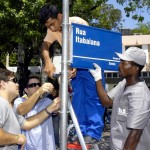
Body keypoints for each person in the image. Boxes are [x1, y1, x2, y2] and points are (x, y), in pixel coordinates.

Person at [39, 4, 105, 144]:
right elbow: (45, 45)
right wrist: (48, 62)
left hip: (90, 65)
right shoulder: (52, 29)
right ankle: (80, 130)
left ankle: (93, 132)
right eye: (48, 26)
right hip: (73, 67)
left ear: (60, 16)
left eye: (52, 24)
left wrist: (74, 63)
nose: (51, 28)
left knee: (92, 97)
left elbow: (86, 46)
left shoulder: (77, 22)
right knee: (78, 99)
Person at [89, 47, 150, 150]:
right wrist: (98, 78)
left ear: (136, 68)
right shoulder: (124, 83)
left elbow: (135, 134)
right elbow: (106, 102)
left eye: (124, 63)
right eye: (120, 62)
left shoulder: (140, 95)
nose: (119, 66)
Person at [0, 68, 60, 150]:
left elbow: (26, 124)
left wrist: (49, 109)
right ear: (3, 83)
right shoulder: (2, 103)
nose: (17, 84)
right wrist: (17, 138)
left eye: (38, 84)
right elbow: (21, 110)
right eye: (14, 80)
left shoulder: (7, 104)